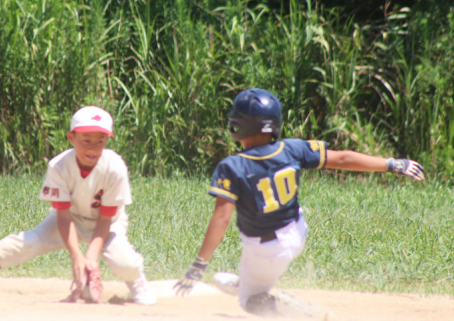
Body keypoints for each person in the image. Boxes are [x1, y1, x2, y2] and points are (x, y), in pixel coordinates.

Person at [174, 88, 424, 316]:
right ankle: (249, 282)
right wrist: (393, 164)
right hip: (297, 232)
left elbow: (222, 218)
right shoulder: (292, 149)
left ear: (238, 125)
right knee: (240, 275)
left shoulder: (232, 166)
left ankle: (294, 311)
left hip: (266, 251)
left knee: (248, 301)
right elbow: (344, 159)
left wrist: (199, 264)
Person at [0, 106, 157, 305]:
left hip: (108, 225)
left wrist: (90, 259)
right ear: (71, 137)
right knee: (26, 243)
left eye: (100, 140)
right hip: (70, 218)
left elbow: (106, 219)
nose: (93, 146)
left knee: (125, 264)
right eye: (85, 139)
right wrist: (77, 258)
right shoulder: (59, 166)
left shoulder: (115, 166)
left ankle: (137, 283)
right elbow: (63, 217)